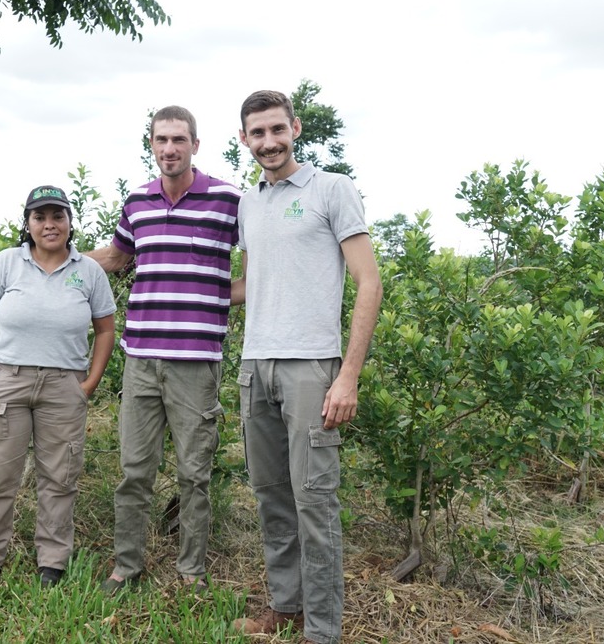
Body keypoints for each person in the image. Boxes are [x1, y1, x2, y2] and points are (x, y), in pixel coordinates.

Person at [231, 90, 383, 644]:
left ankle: (322, 630)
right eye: (257, 133)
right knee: (271, 495)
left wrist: (347, 375)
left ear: (295, 128)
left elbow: (369, 282)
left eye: (277, 129)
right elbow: (253, 283)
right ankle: (285, 607)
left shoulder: (331, 189)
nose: (268, 142)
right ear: (244, 139)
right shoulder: (250, 203)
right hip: (255, 367)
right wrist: (184, 289)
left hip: (311, 369)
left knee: (313, 502)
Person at [88, 105, 241, 594]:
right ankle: (126, 566)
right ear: (151, 145)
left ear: (196, 144)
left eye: (179, 139)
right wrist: (53, 254)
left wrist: (219, 292)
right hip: (141, 360)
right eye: (161, 140)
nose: (169, 149)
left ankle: (191, 570)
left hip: (197, 363)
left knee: (194, 474)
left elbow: (264, 261)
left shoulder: (228, 200)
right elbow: (115, 258)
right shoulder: (137, 202)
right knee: (134, 471)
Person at [0, 184, 116, 590]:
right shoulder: (5, 263)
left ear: (70, 222)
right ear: (28, 224)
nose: (50, 224)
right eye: (40, 217)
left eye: (58, 216)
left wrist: (88, 383)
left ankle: (52, 562)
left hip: (64, 387)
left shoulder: (88, 271)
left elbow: (105, 330)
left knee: (59, 477)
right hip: (8, 381)